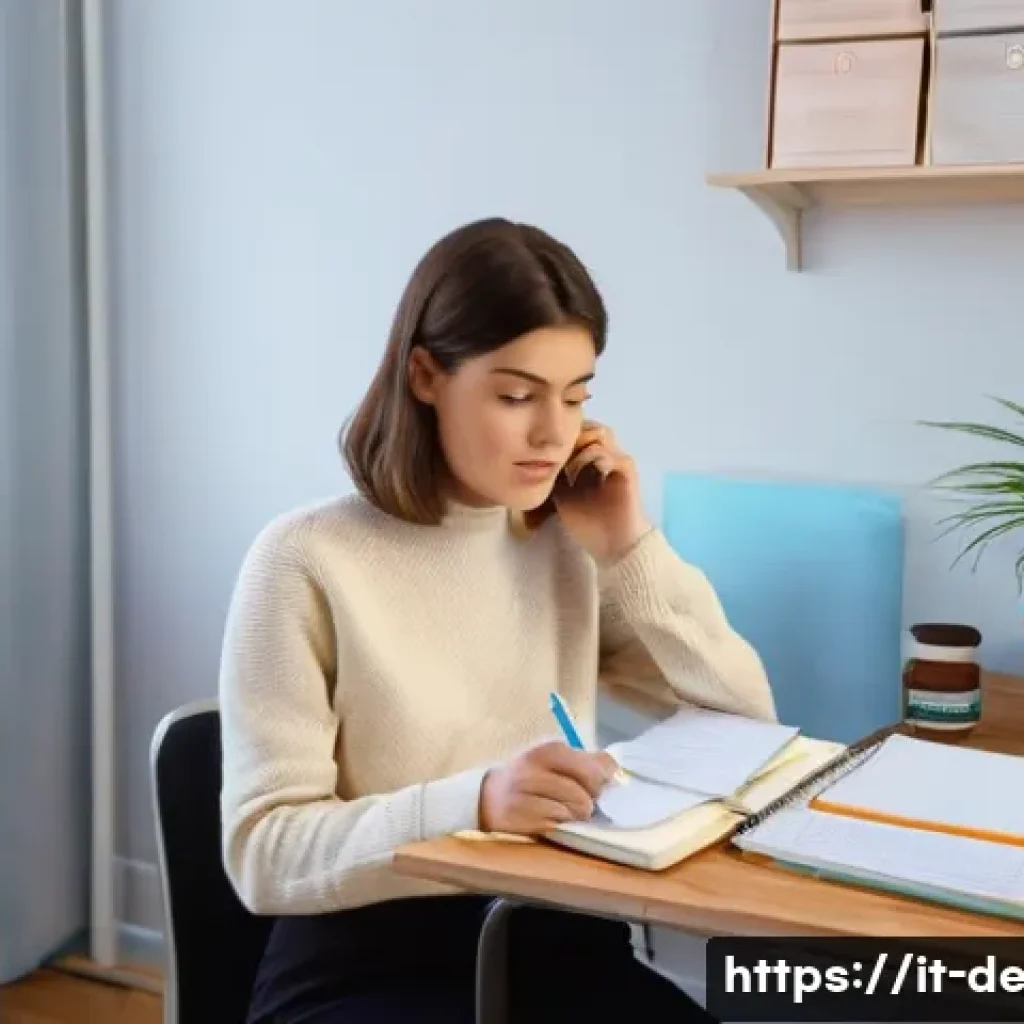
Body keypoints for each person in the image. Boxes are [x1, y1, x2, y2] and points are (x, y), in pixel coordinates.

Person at [218, 217, 777, 1023]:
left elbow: (745, 718)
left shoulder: (565, 541)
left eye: (576, 396)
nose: (552, 433)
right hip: (368, 964)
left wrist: (628, 545)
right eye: (516, 396)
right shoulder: (305, 560)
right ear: (424, 376)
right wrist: (474, 802)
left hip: (555, 941)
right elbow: (263, 855)